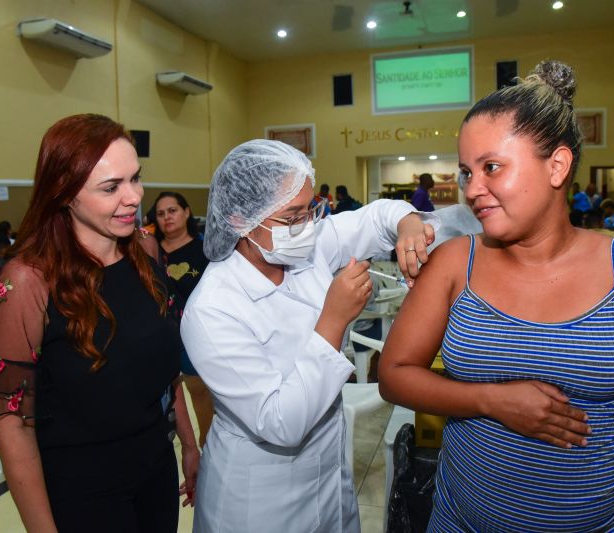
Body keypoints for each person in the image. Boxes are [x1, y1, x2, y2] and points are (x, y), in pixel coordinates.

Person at [379, 60, 614, 531]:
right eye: (466, 172)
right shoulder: (454, 264)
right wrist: (492, 401)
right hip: (462, 521)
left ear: (558, 165)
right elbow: (394, 374)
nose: (472, 189)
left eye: (491, 167)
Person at [180, 139, 436, 532]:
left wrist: (409, 226)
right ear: (239, 219)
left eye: (309, 210)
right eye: (291, 217)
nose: (305, 227)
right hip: (260, 497)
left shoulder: (302, 247)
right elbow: (280, 422)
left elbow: (378, 217)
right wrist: (333, 320)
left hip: (329, 475)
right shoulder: (212, 308)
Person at [0, 114, 198, 532]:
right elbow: (14, 428)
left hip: (154, 468)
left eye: (136, 178)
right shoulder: (28, 281)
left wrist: (188, 442)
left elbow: (165, 367)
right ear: (64, 193)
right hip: (83, 491)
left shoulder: (143, 250)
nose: (133, 197)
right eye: (111, 187)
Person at [151, 191, 214, 448]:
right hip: (160, 335)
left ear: (187, 212)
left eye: (172, 210)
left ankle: (207, 444)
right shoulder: (149, 251)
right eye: (161, 213)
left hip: (198, 334)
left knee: (200, 391)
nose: (167, 217)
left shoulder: (204, 249)